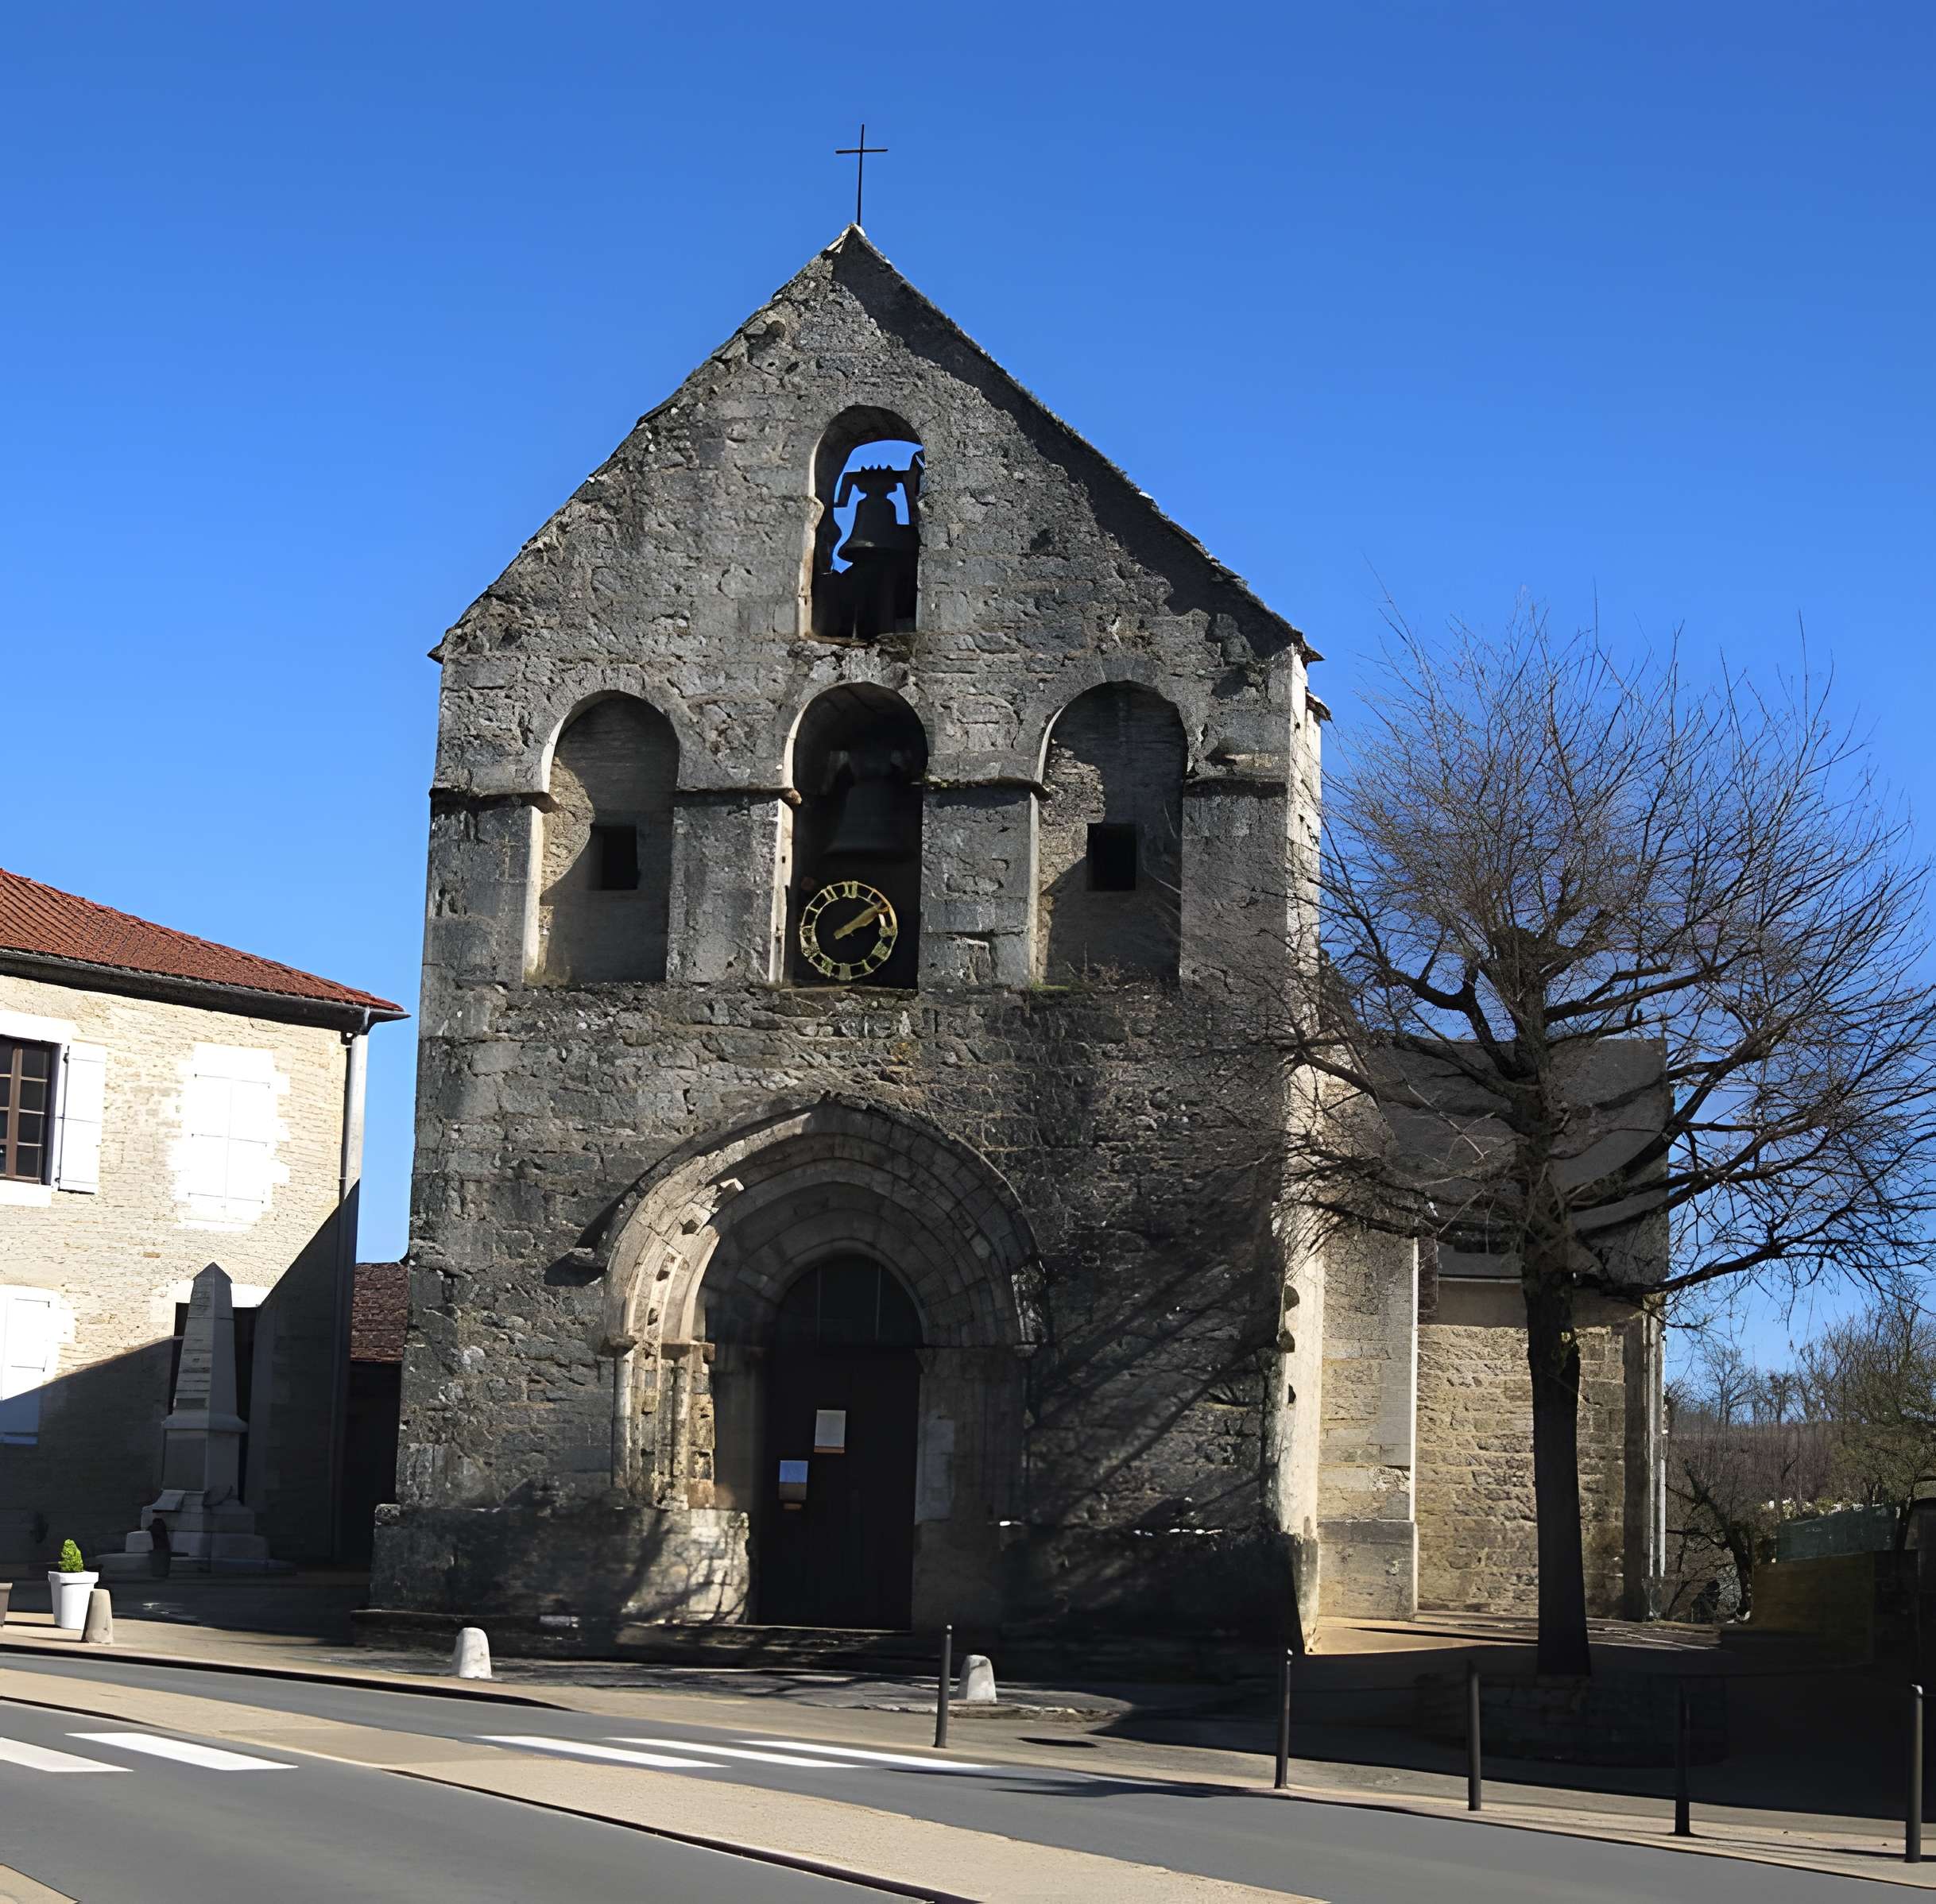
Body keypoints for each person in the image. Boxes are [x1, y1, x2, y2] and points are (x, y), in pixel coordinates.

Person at [147, 1513, 172, 1580]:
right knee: (164, 1562)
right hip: (165, 1547)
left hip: (156, 1547)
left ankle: (157, 1573)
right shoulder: (163, 1527)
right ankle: (163, 1573)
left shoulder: (152, 1527)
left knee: (156, 1562)